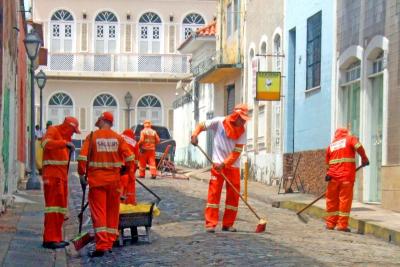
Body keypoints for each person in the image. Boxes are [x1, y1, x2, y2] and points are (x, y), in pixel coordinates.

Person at [77, 111, 134, 257]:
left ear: (102, 121)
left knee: (99, 213)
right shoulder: (118, 138)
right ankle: (109, 242)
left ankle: (101, 245)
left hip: (97, 182)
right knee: (112, 212)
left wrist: (81, 174)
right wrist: (124, 171)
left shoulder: (92, 137)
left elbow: (82, 158)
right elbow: (130, 157)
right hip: (114, 183)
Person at [191, 104, 249, 233]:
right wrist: (194, 135)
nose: (243, 121)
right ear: (235, 116)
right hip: (216, 165)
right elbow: (201, 125)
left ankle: (228, 224)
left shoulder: (243, 131)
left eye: (245, 119)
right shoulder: (219, 122)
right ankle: (210, 224)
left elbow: (237, 152)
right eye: (242, 118)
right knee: (214, 193)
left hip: (233, 166)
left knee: (233, 196)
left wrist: (224, 164)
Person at [41, 117, 80, 249]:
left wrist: (66, 145)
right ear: (67, 127)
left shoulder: (64, 139)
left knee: (59, 209)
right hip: (53, 177)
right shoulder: (53, 130)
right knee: (53, 208)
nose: (73, 134)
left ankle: (56, 237)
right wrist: (64, 143)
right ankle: (50, 239)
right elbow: (45, 144)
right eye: (73, 131)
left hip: (60, 178)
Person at [325, 128, 369, 232]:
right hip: (346, 177)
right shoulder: (350, 139)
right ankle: (342, 225)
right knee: (344, 200)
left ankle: (330, 224)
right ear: (346, 133)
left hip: (333, 178)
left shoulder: (331, 146)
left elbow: (328, 164)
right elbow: (359, 146)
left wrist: (328, 173)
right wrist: (364, 159)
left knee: (331, 201)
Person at [120, 129, 139, 205]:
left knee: (119, 187)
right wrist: (133, 172)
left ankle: (119, 204)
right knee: (130, 187)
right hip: (129, 168)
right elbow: (136, 160)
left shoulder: (118, 138)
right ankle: (129, 203)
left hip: (118, 167)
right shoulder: (135, 143)